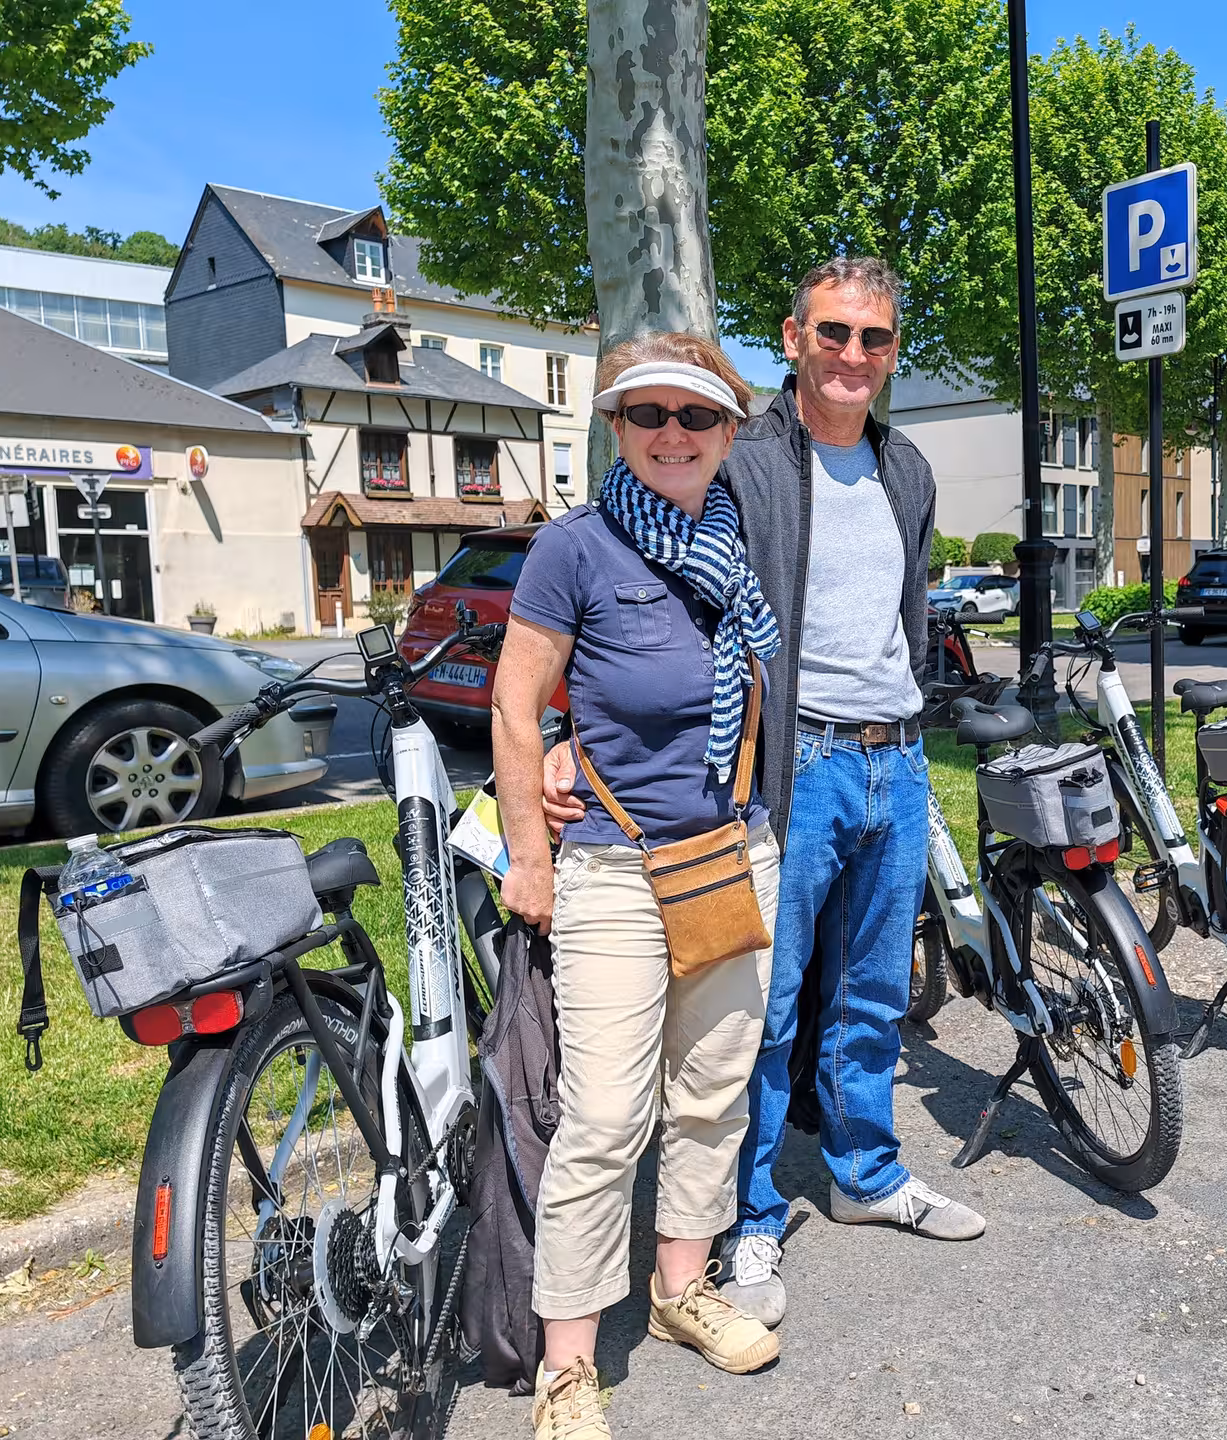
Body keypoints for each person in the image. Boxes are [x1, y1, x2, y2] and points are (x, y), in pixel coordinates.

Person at [544, 258, 984, 1333]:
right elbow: (639, 597)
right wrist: (563, 729)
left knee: (874, 993)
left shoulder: (907, 467)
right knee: (766, 1010)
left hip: (896, 757)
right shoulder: (744, 460)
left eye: (874, 338)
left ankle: (866, 1173)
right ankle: (746, 1214)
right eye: (833, 333)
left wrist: (916, 713)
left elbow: (906, 612)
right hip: (791, 766)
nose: (853, 356)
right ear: (793, 337)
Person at [492, 332, 783, 1440]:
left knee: (713, 1094)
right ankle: (566, 1363)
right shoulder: (575, 547)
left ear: (727, 433)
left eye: (696, 416)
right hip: (614, 868)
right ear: (614, 426)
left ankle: (678, 1291)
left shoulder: (733, 542)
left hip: (730, 856)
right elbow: (518, 707)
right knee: (607, 1113)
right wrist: (530, 849)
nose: (671, 434)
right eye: (647, 414)